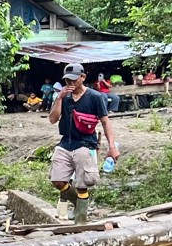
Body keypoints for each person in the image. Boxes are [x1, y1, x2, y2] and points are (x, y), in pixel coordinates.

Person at [48, 63, 120, 224]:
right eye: (67, 80)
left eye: (74, 80)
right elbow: (52, 119)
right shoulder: (64, 97)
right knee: (57, 180)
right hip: (65, 143)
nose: (70, 83)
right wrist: (59, 98)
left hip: (85, 144)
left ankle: (80, 222)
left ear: (83, 77)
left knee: (82, 185)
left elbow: (105, 122)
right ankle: (77, 203)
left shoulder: (95, 97)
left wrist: (112, 147)